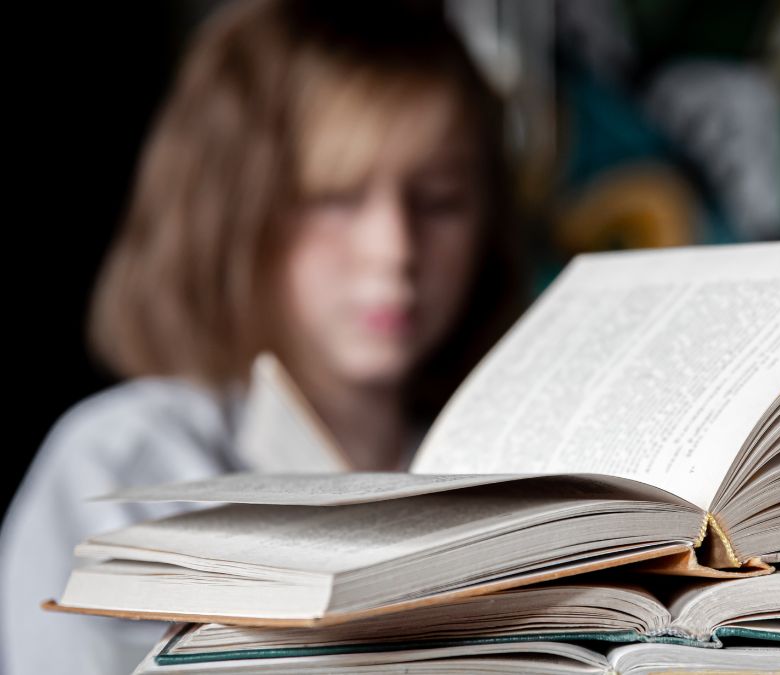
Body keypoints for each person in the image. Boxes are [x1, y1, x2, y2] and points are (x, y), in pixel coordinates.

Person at [0, 1, 524, 672]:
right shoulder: (121, 464)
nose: (394, 249)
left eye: (442, 199)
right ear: (235, 209)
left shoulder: (515, 471)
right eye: (334, 196)